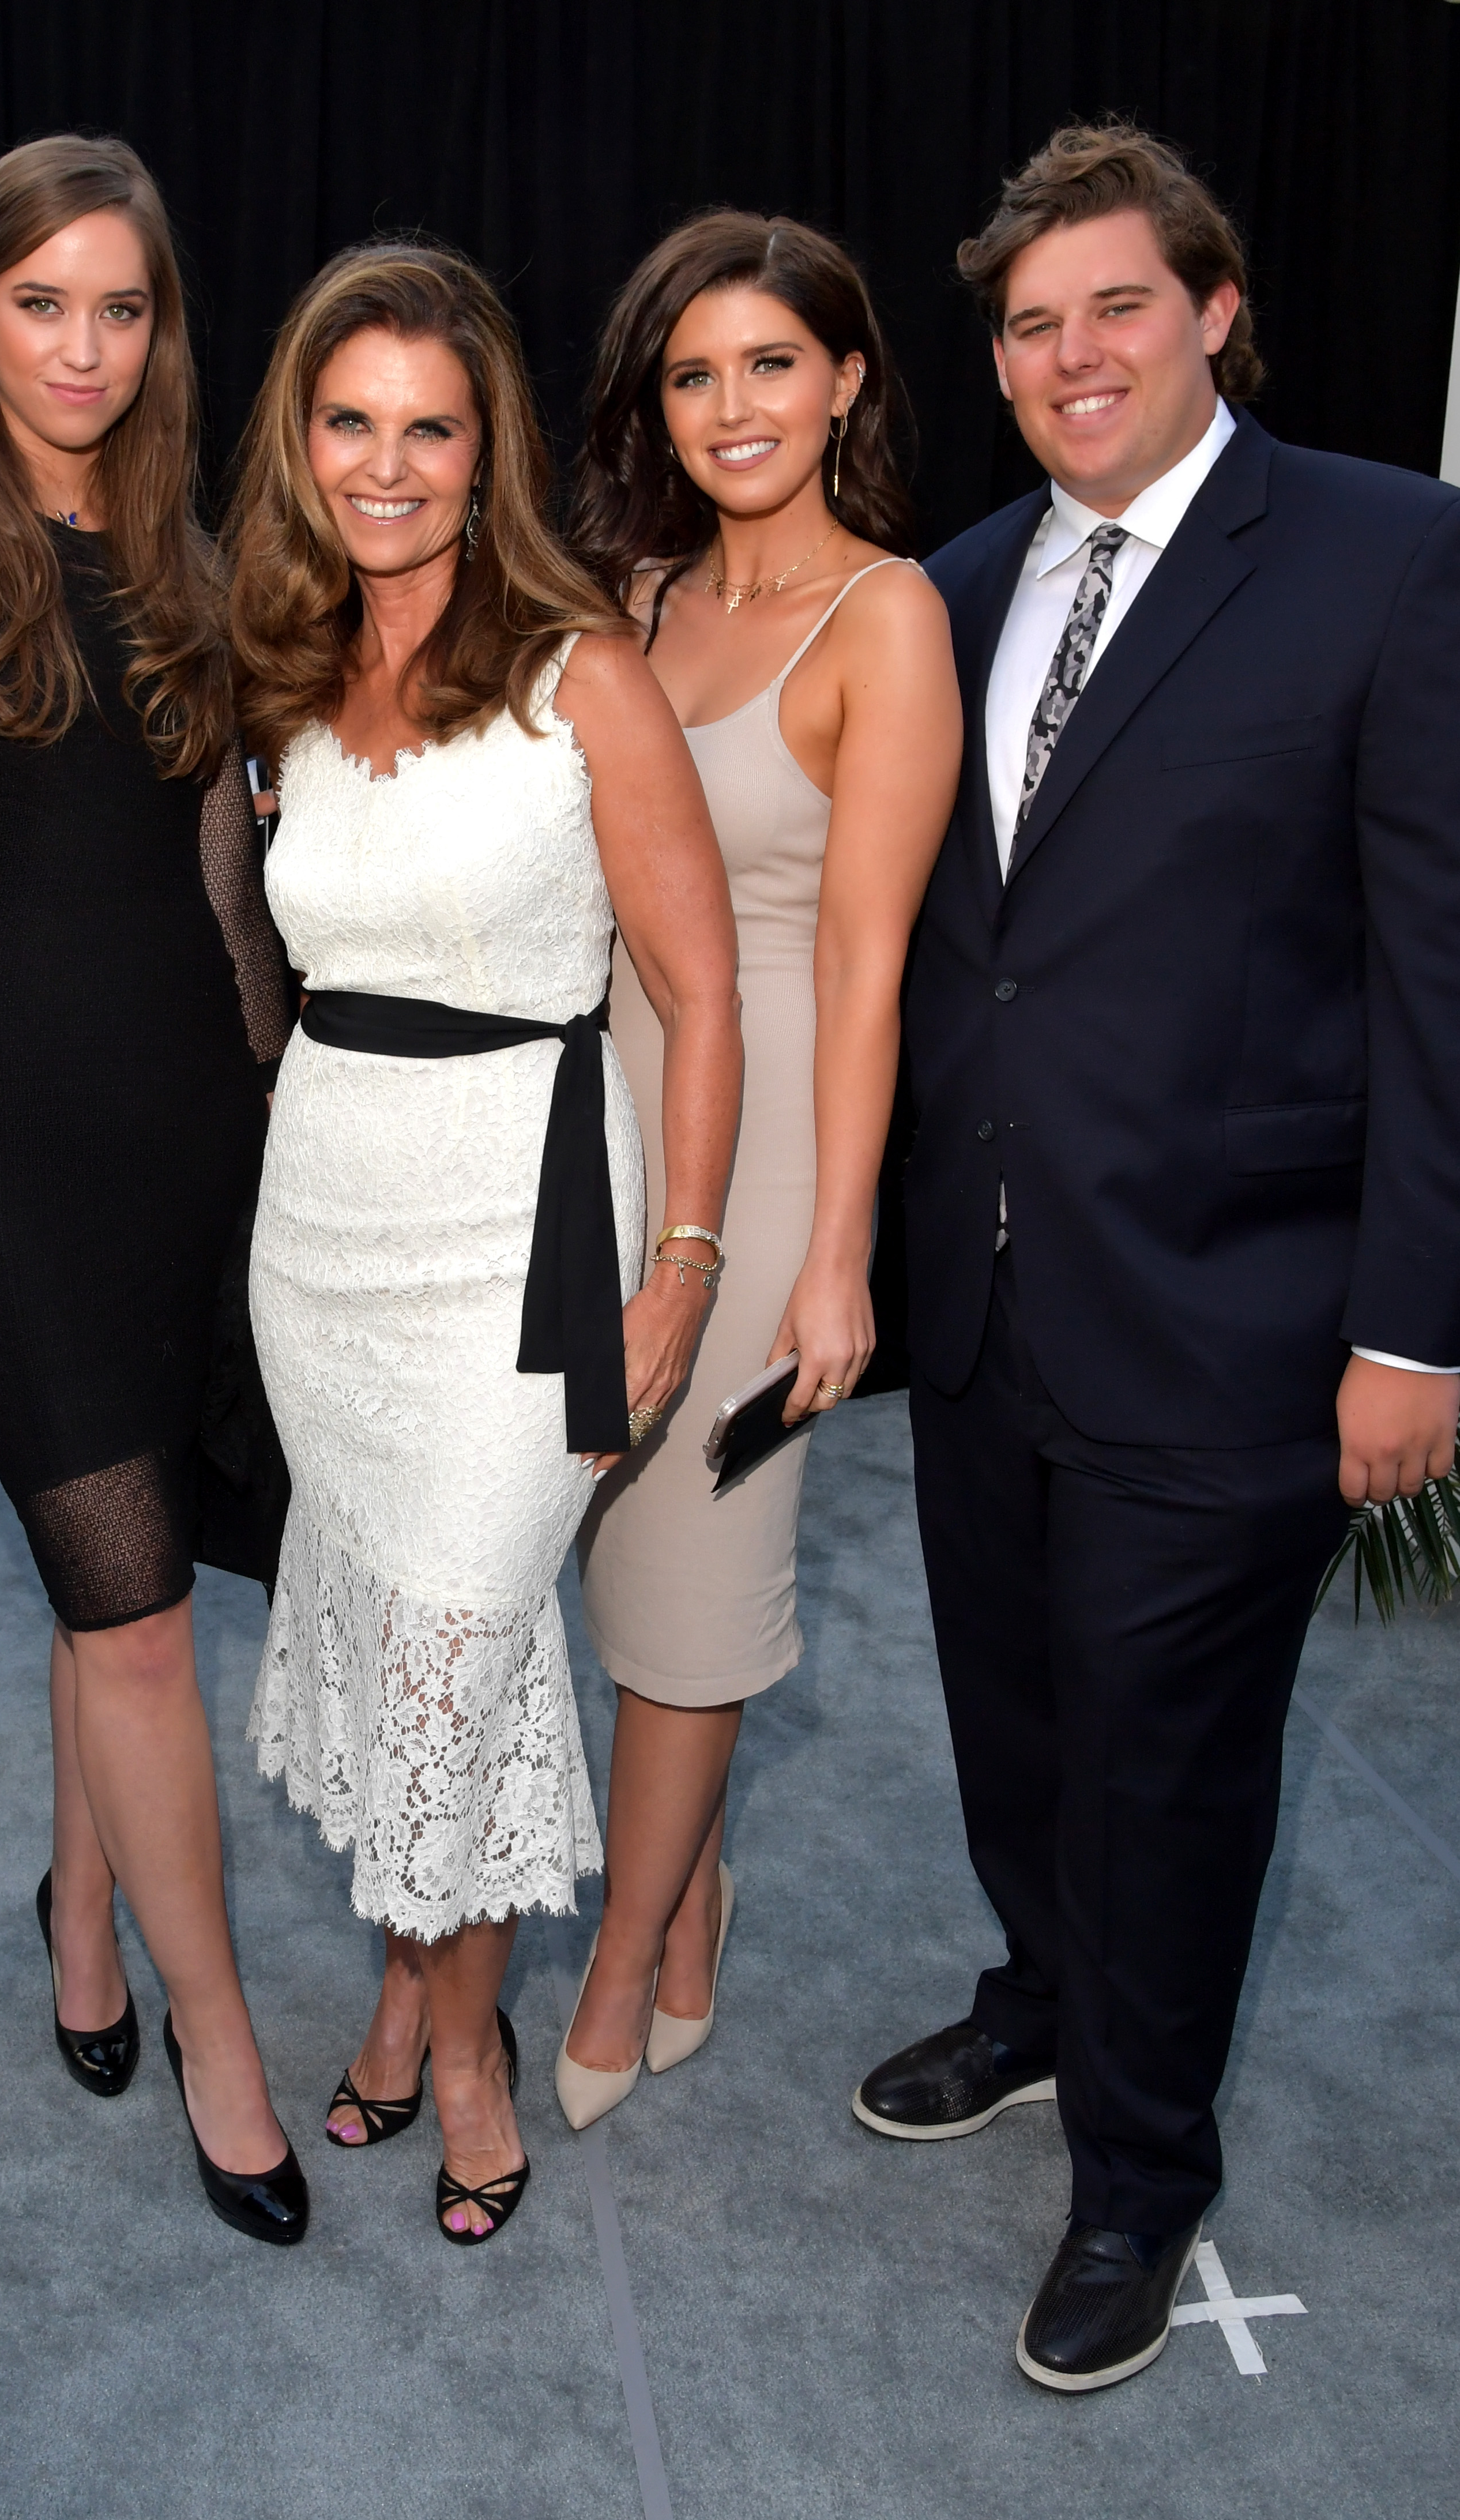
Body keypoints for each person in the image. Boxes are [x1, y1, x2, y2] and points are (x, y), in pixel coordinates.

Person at [853, 123, 1460, 2392]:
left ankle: (1138, 2161)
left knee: (1166, 1758)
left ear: (1212, 309)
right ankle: (1037, 1999)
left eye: (1115, 302)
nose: (1069, 350)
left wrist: (1415, 1327)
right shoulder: (955, 581)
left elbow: (1439, 975)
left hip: (1242, 1316)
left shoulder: (1393, 559)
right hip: (991, 1297)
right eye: (1028, 322)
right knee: (1014, 1712)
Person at [0, 135, 306, 2247]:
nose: (83, 346)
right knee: (126, 1616)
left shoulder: (195, 555)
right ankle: (223, 2041)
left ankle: (85, 1923)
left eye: (121, 306)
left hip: (194, 1129)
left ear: (160, 328)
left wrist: (310, 1121)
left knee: (130, 1575)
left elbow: (220, 885)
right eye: (43, 303)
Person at [227, 242, 742, 2242]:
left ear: (484, 448)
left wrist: (682, 1267)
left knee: (458, 1630)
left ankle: (464, 2043)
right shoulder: (287, 662)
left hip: (527, 1226)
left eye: (428, 427)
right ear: (302, 438)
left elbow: (699, 994)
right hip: (326, 1220)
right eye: (350, 421)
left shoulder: (580, 673)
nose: (386, 463)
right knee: (371, 1620)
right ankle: (393, 1990)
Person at [562, 216, 959, 2126]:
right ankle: (691, 1869)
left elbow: (877, 962)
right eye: (696, 371)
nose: (734, 407)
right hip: (596, 1120)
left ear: (849, 380)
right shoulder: (624, 594)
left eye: (772, 365)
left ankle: (630, 1949)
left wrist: (838, 1257)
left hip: (786, 1124)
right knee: (592, 1535)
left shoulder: (884, 616)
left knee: (699, 1564)